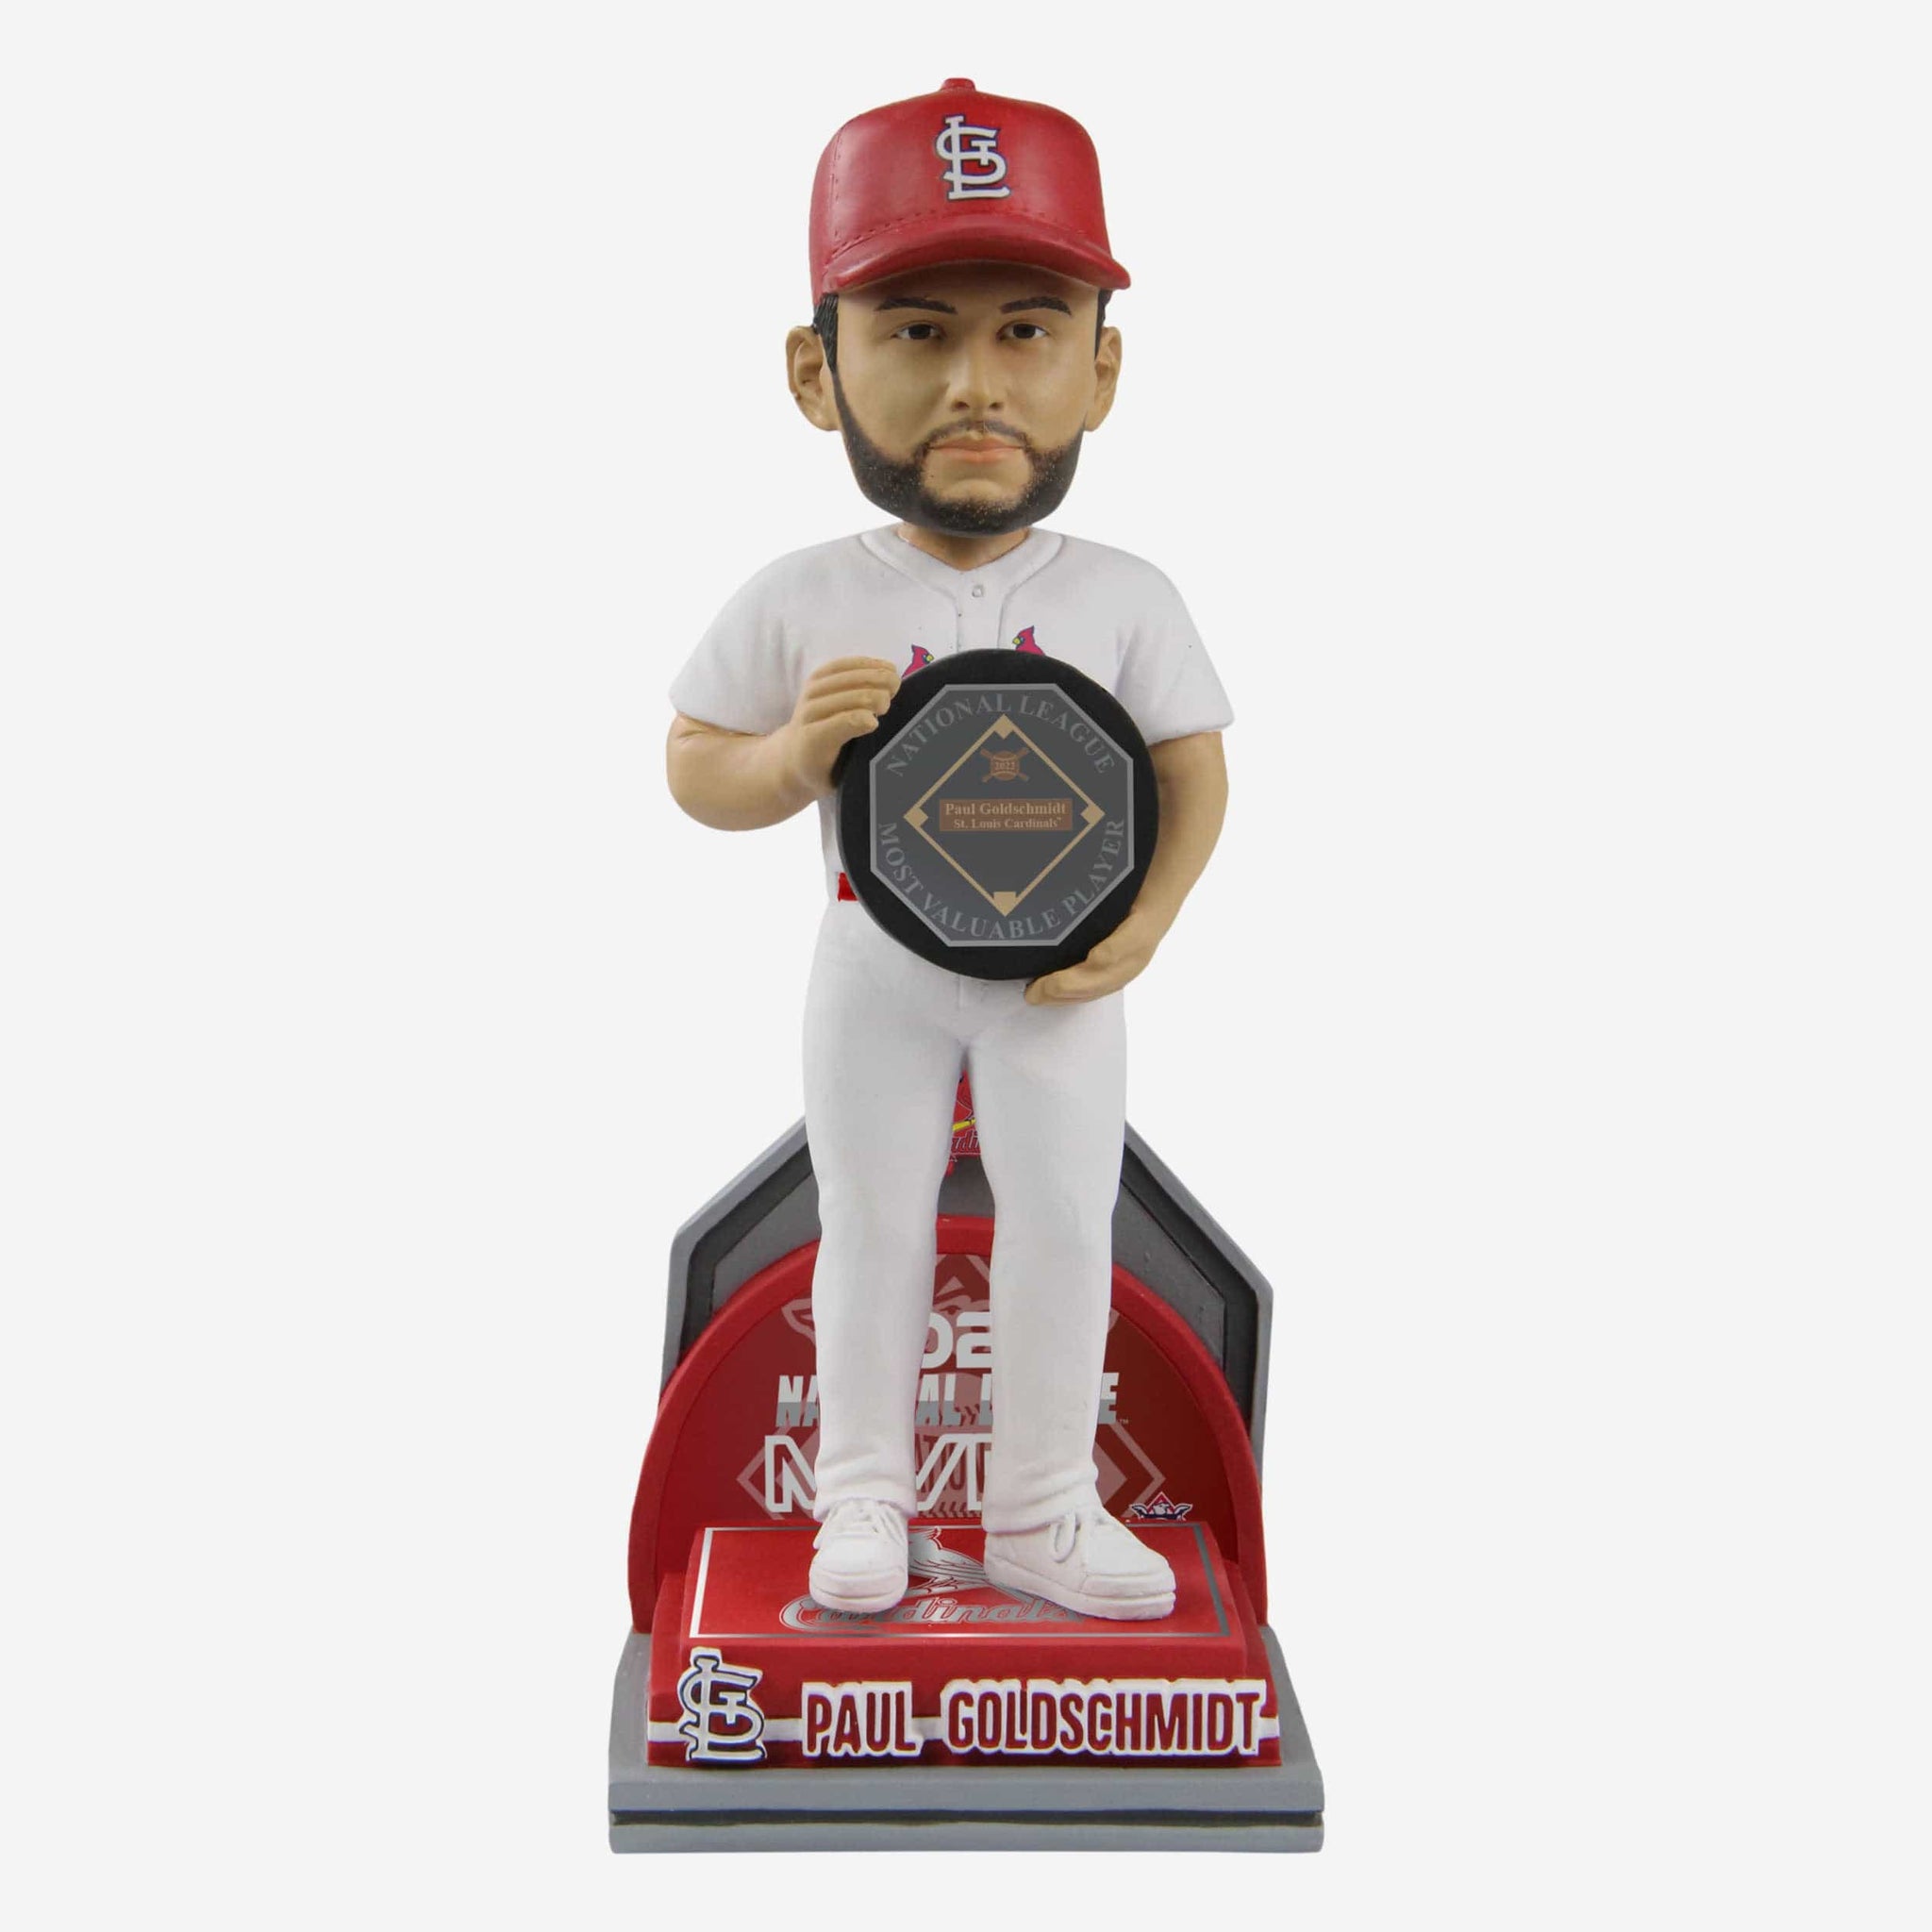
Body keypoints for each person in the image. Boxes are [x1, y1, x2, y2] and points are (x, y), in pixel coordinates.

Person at [664, 80, 1231, 1621]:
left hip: (1065, 977)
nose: (976, 382)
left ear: (1102, 368)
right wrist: (789, 757)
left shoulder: (1125, 595)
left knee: (1064, 1224)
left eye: (1028, 330)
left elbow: (1190, 769)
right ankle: (863, 1497)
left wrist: (1149, 922)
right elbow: (696, 762)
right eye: (916, 331)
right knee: (872, 1222)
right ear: (817, 369)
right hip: (877, 961)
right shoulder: (805, 593)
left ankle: (1041, 1508)